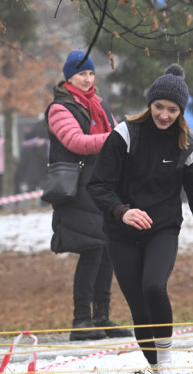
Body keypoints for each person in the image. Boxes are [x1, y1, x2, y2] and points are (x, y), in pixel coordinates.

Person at [87, 64, 193, 374]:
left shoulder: (188, 145)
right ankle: (157, 372)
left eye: (172, 110)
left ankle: (166, 365)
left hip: (162, 229)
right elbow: (98, 184)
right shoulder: (125, 134)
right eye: (159, 106)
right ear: (150, 104)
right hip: (121, 233)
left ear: (181, 111)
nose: (164, 115)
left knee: (153, 287)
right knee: (138, 306)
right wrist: (122, 211)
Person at [46, 50, 132, 341]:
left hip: (102, 186)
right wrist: (116, 138)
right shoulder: (60, 108)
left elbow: (119, 137)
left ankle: (101, 317)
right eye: (82, 73)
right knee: (92, 249)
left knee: (107, 250)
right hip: (76, 189)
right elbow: (75, 141)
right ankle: (81, 320)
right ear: (69, 77)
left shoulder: (99, 104)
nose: (88, 78)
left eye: (91, 73)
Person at [15, 124, 48, 195]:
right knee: (42, 192)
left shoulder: (25, 148)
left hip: (30, 175)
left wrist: (21, 174)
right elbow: (46, 159)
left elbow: (22, 162)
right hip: (41, 174)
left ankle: (32, 201)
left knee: (31, 192)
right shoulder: (43, 145)